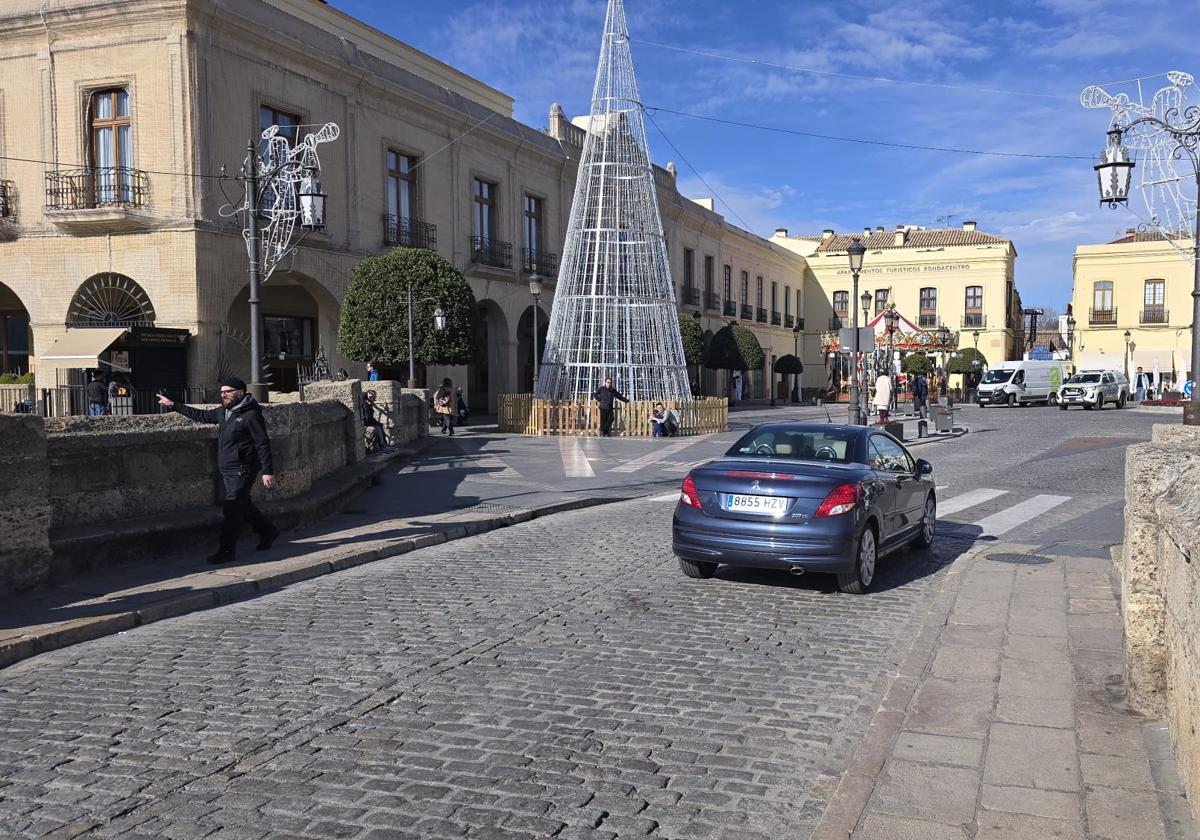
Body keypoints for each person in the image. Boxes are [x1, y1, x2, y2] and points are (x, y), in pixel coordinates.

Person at [157, 377, 278, 563]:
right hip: (227, 468)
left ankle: (227, 551)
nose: (223, 395)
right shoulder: (224, 412)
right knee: (242, 504)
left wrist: (267, 471)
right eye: (222, 392)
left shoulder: (251, 415)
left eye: (227, 392)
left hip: (243, 469)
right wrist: (174, 405)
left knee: (232, 509)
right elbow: (201, 416)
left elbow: (262, 443)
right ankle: (267, 530)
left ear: (240, 392)